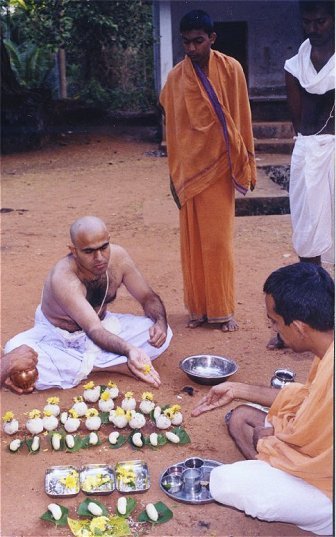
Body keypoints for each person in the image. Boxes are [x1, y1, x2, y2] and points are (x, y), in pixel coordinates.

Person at [192, 263, 333, 535]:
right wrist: (237, 390)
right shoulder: (327, 349)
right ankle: (267, 465)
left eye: (275, 322)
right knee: (241, 417)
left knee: (224, 481)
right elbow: (305, 399)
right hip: (306, 450)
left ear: (300, 328)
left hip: (326, 486)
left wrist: (270, 440)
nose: (273, 329)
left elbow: (315, 452)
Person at [160, 10, 256, 332]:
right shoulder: (175, 78)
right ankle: (199, 309)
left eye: (198, 41)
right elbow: (173, 126)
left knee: (218, 242)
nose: (191, 49)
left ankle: (223, 309)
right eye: (185, 42)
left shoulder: (231, 70)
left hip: (220, 166)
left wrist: (247, 159)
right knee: (192, 242)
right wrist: (176, 168)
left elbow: (241, 115)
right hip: (189, 171)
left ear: (212, 39)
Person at [4, 216, 172, 390]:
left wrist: (161, 323)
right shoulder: (63, 278)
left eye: (104, 247)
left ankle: (81, 364)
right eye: (89, 251)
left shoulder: (119, 257)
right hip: (58, 337)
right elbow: (93, 329)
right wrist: (130, 350)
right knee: (14, 351)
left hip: (102, 326)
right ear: (74, 251)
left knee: (159, 333)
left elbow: (148, 297)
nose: (99, 257)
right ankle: (113, 366)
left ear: (109, 241)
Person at [285, 0, 335, 266]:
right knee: (308, 234)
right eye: (307, 23)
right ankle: (313, 300)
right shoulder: (294, 67)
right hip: (308, 155)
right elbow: (300, 123)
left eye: (320, 22)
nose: (313, 29)